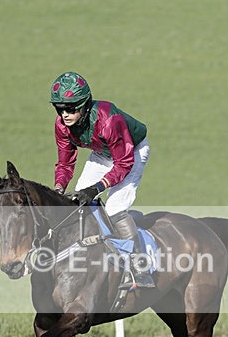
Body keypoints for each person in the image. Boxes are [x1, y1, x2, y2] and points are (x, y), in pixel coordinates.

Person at [49, 71, 154, 288]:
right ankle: (98, 249)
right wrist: (58, 189)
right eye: (60, 109)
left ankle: (140, 266)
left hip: (132, 152)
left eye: (71, 108)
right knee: (78, 201)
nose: (65, 114)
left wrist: (98, 187)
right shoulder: (62, 126)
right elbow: (65, 163)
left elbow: (123, 163)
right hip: (102, 152)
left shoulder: (108, 120)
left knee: (115, 208)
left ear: (85, 105)